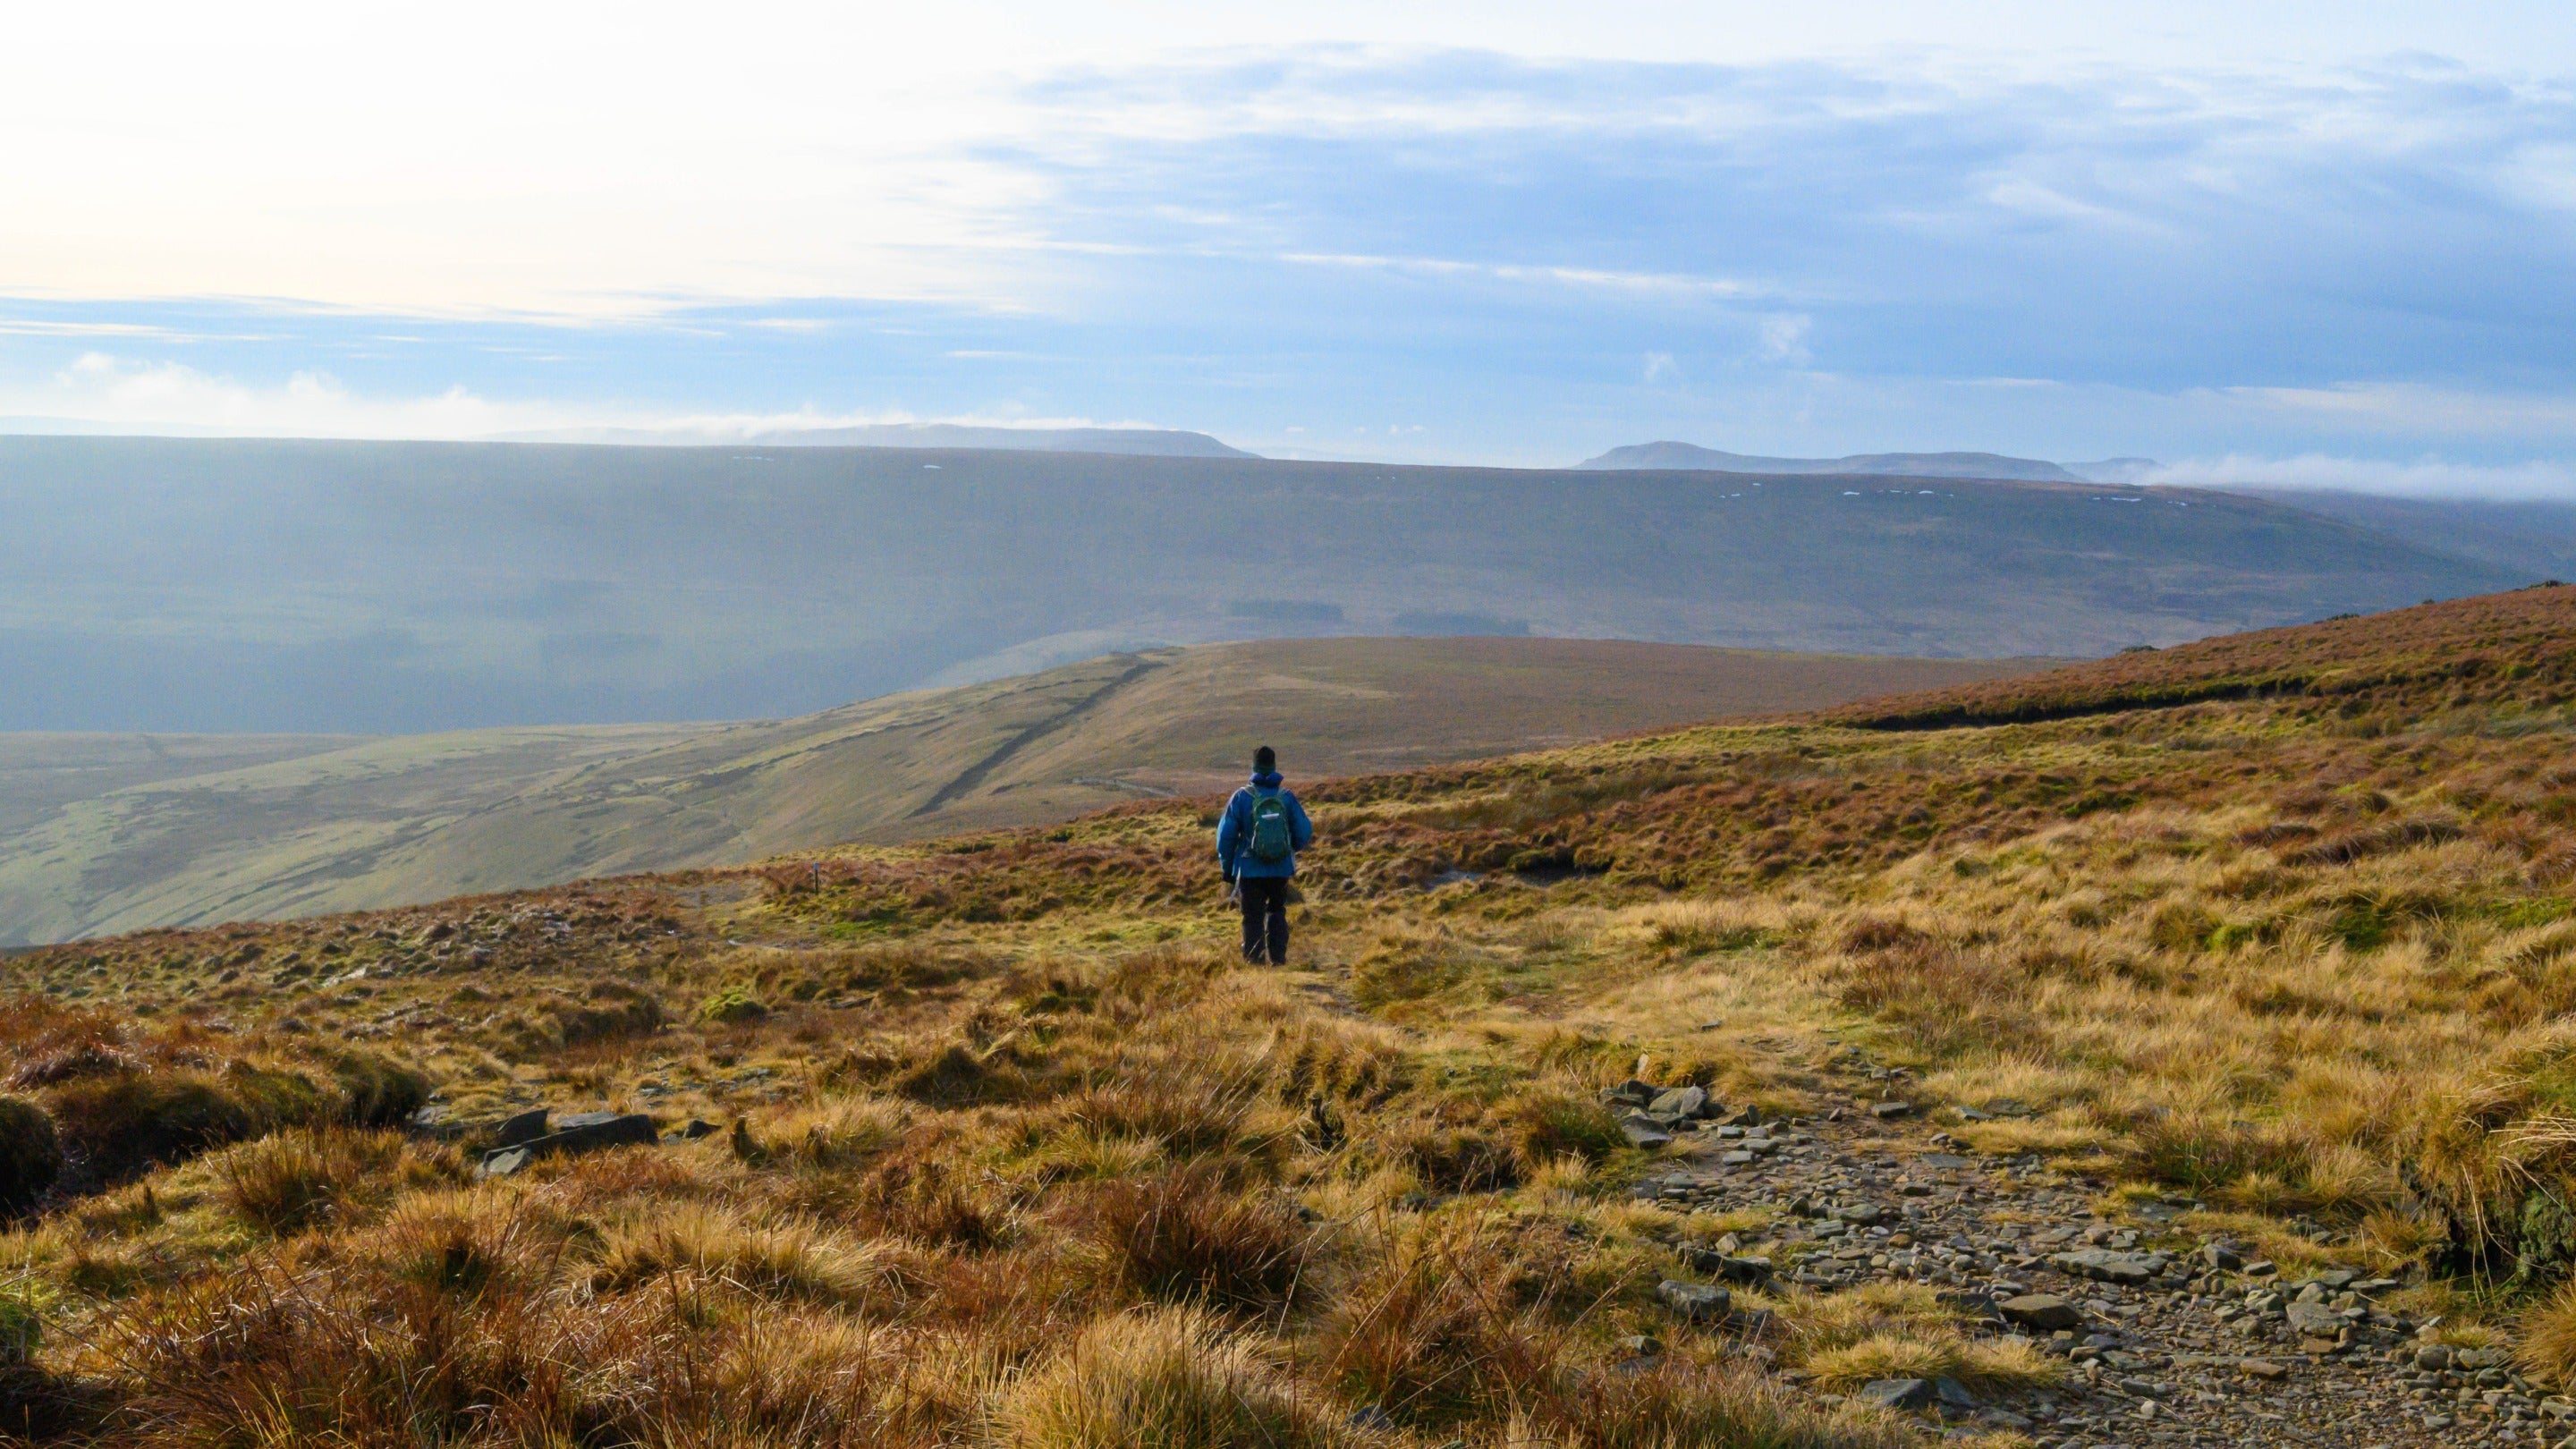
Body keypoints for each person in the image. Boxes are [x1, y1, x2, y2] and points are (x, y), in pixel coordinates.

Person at [1216, 744, 1314, 964]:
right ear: (1274, 765)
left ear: (1254, 767)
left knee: (1252, 917)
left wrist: (1227, 868)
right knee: (1277, 910)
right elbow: (1304, 831)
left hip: (1249, 870)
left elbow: (1226, 837)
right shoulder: (1286, 797)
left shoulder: (1241, 798)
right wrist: (1289, 849)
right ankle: (1279, 960)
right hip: (1280, 868)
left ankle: (1255, 961)